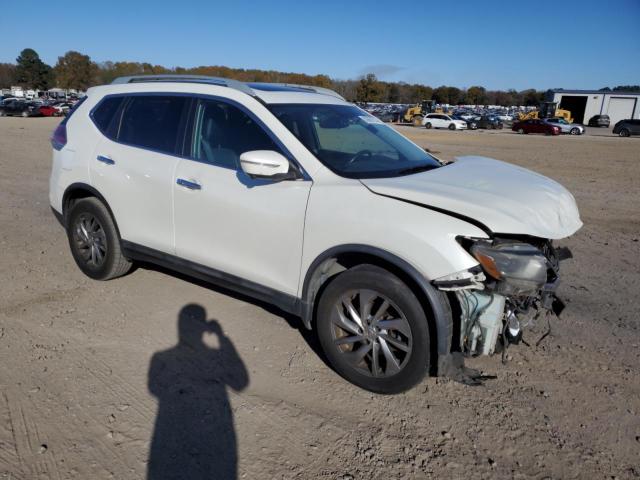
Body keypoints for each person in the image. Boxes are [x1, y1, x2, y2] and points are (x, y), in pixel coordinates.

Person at [147, 304, 249, 480]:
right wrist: (222, 338)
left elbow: (153, 388)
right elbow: (241, 383)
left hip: (171, 431)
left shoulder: (160, 358)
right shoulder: (215, 356)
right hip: (215, 436)